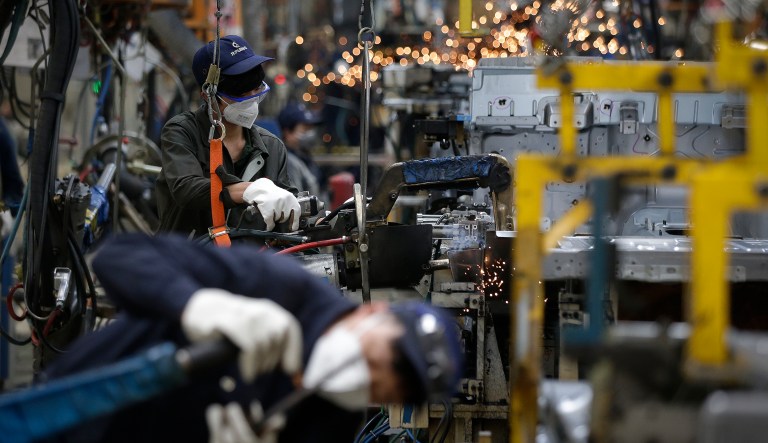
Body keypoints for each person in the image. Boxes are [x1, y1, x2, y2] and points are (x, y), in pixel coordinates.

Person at [42, 233, 463, 443]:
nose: (360, 380)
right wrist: (199, 305)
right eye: (375, 362)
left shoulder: (334, 418)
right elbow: (120, 256)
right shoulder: (280, 288)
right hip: (64, 415)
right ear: (373, 313)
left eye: (376, 387)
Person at [155, 35, 301, 238]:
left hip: (247, 264)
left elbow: (290, 207)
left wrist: (325, 217)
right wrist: (249, 191)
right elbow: (186, 188)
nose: (251, 99)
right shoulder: (182, 132)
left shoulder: (271, 147)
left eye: (256, 87)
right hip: (185, 260)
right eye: (241, 92)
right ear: (208, 95)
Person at [277, 102, 324, 199]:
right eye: (305, 129)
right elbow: (297, 203)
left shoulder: (303, 156)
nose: (310, 134)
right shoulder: (288, 163)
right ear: (288, 132)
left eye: (311, 129)